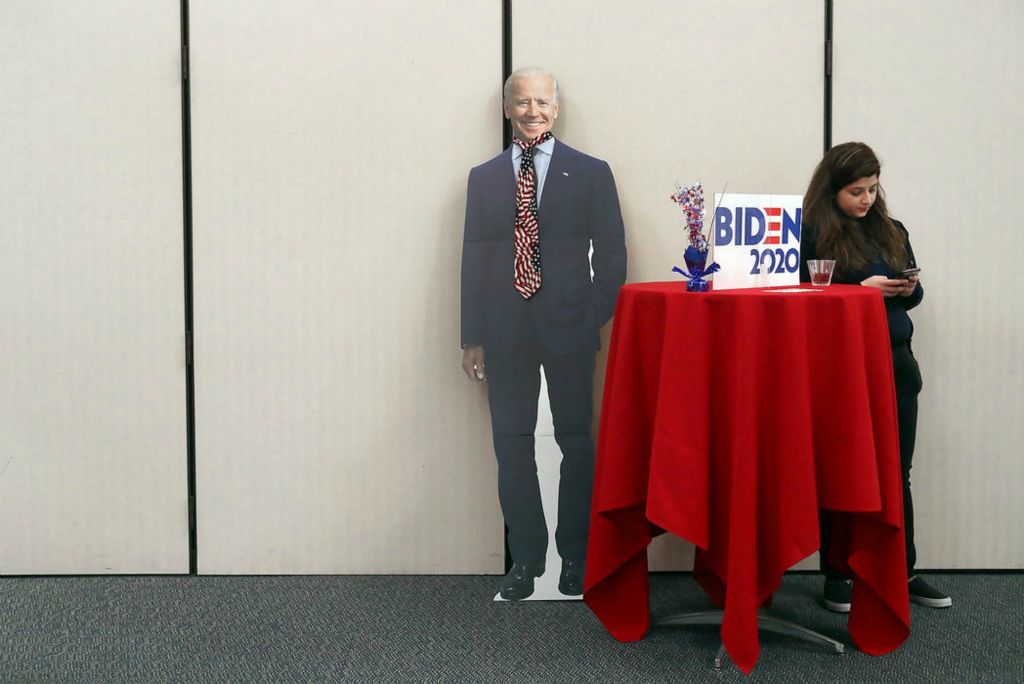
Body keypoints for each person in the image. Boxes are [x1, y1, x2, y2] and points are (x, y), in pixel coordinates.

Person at [460, 67, 627, 600]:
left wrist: (591, 314)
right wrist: (473, 337)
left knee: (576, 443)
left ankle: (574, 557)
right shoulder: (483, 178)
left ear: (556, 108)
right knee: (512, 446)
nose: (533, 111)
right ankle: (527, 561)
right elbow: (473, 261)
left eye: (542, 102)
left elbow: (614, 253)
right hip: (504, 333)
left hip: (570, 331)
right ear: (507, 109)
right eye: (522, 102)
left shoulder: (592, 172)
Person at [800, 141, 951, 612]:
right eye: (855, 191)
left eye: (872, 188)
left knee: (897, 470)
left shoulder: (892, 230)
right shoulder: (811, 234)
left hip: (895, 358)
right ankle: (837, 574)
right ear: (832, 191)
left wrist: (909, 288)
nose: (866, 199)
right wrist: (857, 293)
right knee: (840, 469)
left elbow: (910, 300)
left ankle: (901, 570)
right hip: (840, 366)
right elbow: (799, 300)